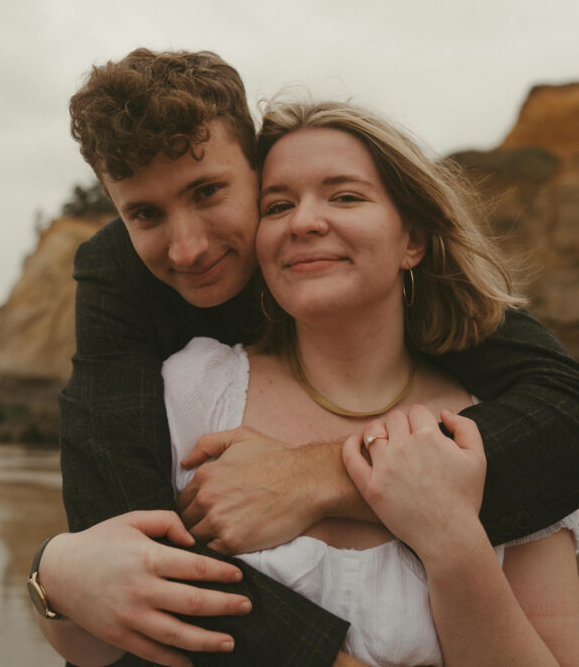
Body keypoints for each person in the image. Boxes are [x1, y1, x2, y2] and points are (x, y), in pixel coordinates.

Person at [32, 49, 579, 667]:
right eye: (281, 205)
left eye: (209, 191)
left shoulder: (485, 394)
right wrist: (49, 574)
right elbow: (126, 556)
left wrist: (323, 476)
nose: (187, 249)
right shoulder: (181, 376)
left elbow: (567, 407)